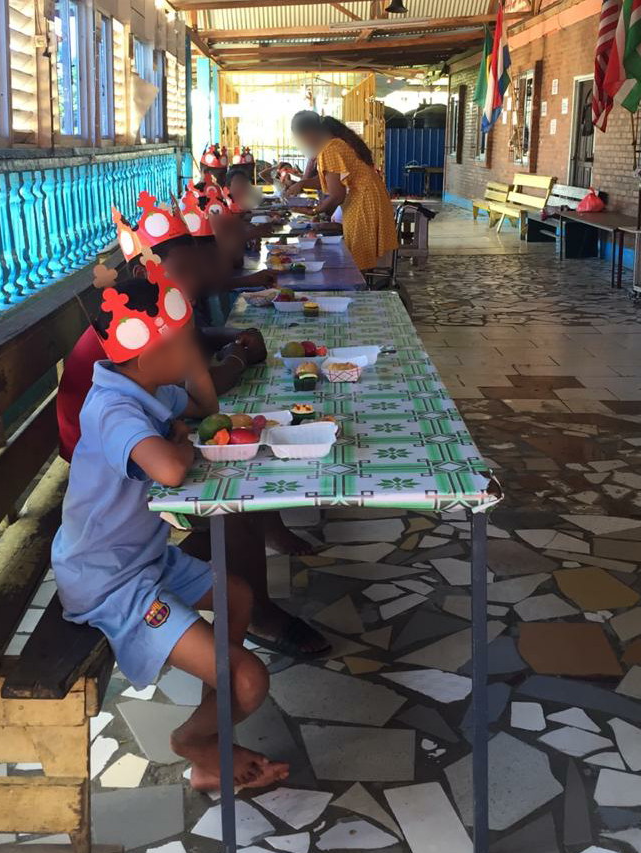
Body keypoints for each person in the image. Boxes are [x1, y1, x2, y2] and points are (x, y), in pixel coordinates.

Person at [58, 196, 327, 659]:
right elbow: (179, 436)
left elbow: (199, 384)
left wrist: (216, 351)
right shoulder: (133, 339)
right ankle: (260, 612)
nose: (195, 281)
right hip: (105, 466)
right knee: (232, 496)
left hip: (134, 445)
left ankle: (263, 539)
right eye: (183, 271)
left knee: (235, 466)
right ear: (145, 271)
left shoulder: (146, 326)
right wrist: (230, 359)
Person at [52, 266, 289, 791]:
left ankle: (212, 735)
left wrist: (190, 359)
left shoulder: (146, 387)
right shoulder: (114, 408)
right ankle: (194, 743)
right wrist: (179, 443)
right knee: (249, 678)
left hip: (143, 557)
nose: (193, 344)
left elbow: (206, 406)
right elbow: (171, 470)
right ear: (146, 357)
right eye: (181, 341)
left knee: (237, 596)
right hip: (108, 580)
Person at [286, 110, 398, 272]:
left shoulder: (330, 149)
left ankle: (359, 286)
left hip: (363, 203)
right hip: (368, 198)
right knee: (359, 257)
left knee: (357, 260)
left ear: (309, 133)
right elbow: (332, 181)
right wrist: (302, 184)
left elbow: (337, 195)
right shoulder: (335, 144)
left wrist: (315, 211)